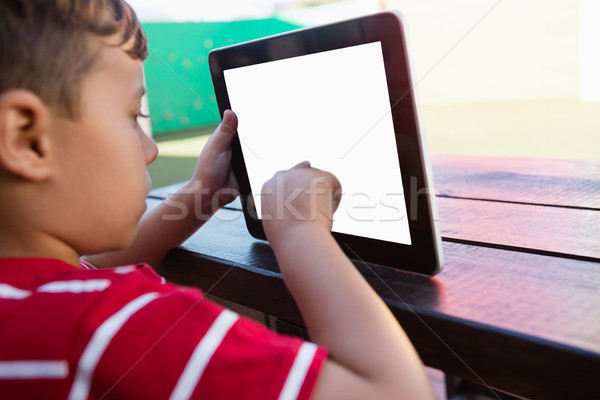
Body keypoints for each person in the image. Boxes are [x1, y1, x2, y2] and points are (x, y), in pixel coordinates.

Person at [0, 0, 435, 399]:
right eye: (133, 116)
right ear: (28, 139)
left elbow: (101, 261)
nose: (149, 149)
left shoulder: (27, 297)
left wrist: (202, 195)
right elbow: (396, 393)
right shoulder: (114, 328)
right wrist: (298, 229)